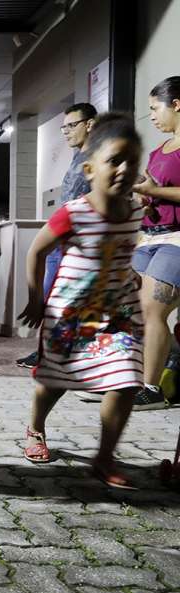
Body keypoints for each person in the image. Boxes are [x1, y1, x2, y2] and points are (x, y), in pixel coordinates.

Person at [18, 113, 144, 489]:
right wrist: (36, 299)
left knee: (125, 381)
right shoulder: (73, 212)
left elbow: (122, 249)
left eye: (132, 162)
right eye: (114, 160)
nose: (124, 169)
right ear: (89, 169)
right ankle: (36, 428)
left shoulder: (136, 210)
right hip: (71, 314)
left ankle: (104, 457)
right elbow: (36, 252)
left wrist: (129, 273)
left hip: (119, 312)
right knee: (56, 380)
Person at [17, 103, 97, 370]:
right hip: (60, 239)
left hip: (79, 242)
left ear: (90, 124)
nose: (65, 132)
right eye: (64, 127)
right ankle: (46, 352)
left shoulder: (100, 157)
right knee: (52, 299)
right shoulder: (78, 156)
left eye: (71, 125)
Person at [130, 77, 180, 410]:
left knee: (153, 310)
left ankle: (151, 389)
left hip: (176, 239)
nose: (151, 116)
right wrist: (143, 199)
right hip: (148, 236)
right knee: (128, 309)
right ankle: (137, 379)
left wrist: (153, 192)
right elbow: (149, 193)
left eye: (154, 108)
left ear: (176, 104)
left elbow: (158, 191)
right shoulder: (158, 151)